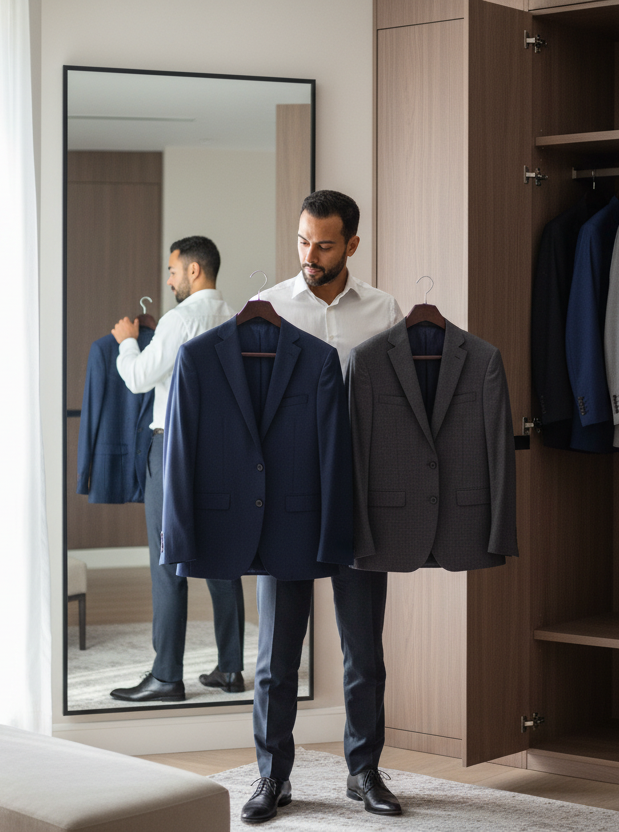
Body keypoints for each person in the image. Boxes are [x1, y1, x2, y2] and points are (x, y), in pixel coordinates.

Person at [238, 191, 405, 823]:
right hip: (287, 501)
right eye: (304, 242)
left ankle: (363, 772)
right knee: (278, 651)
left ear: (353, 245)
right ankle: (271, 778)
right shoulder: (270, 309)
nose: (311, 255)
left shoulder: (385, 310)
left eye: (326, 244)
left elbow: (394, 413)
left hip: (359, 499)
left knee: (364, 651)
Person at [108, 236, 247, 703]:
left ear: (193, 270)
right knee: (224, 559)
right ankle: (230, 669)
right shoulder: (237, 320)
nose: (168, 280)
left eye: (172, 270)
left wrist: (127, 344)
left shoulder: (180, 319)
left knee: (168, 562)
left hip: (174, 450)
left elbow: (138, 378)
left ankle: (167, 676)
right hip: (225, 454)